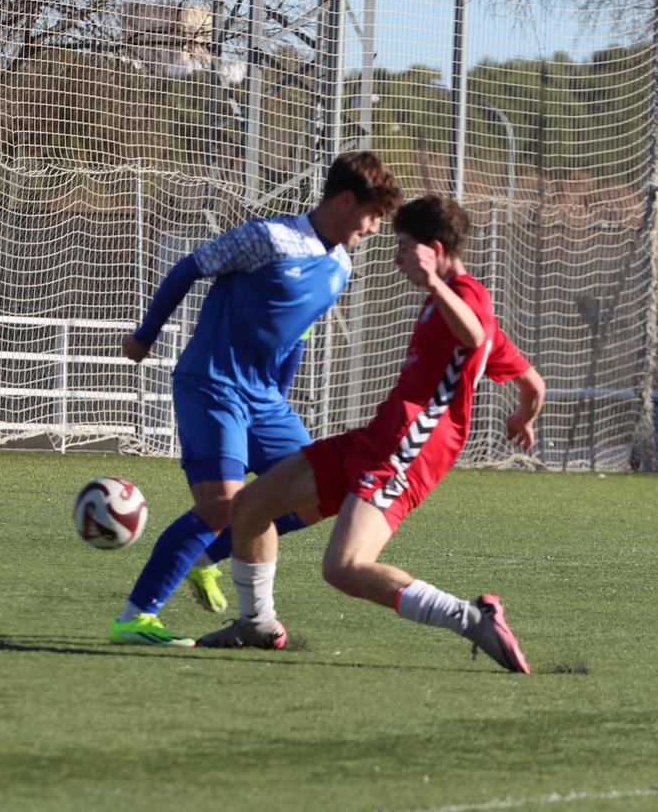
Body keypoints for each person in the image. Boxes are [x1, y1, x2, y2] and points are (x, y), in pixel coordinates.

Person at [197, 193, 545, 673]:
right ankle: (257, 624)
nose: (397, 257)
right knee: (250, 507)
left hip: (408, 451)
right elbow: (533, 382)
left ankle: (472, 618)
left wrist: (434, 283)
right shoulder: (447, 303)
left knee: (344, 568)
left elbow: (474, 335)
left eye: (403, 246)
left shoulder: (467, 296)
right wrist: (525, 414)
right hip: (377, 440)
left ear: (433, 250)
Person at [109, 152, 403, 646]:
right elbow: (190, 267)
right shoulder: (268, 237)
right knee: (222, 505)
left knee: (322, 493)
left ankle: (205, 557)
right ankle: (135, 618)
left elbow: (297, 337)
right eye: (373, 214)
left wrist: (274, 407)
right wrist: (144, 337)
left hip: (264, 402)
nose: (375, 228)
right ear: (345, 200)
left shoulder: (340, 267)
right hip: (213, 383)